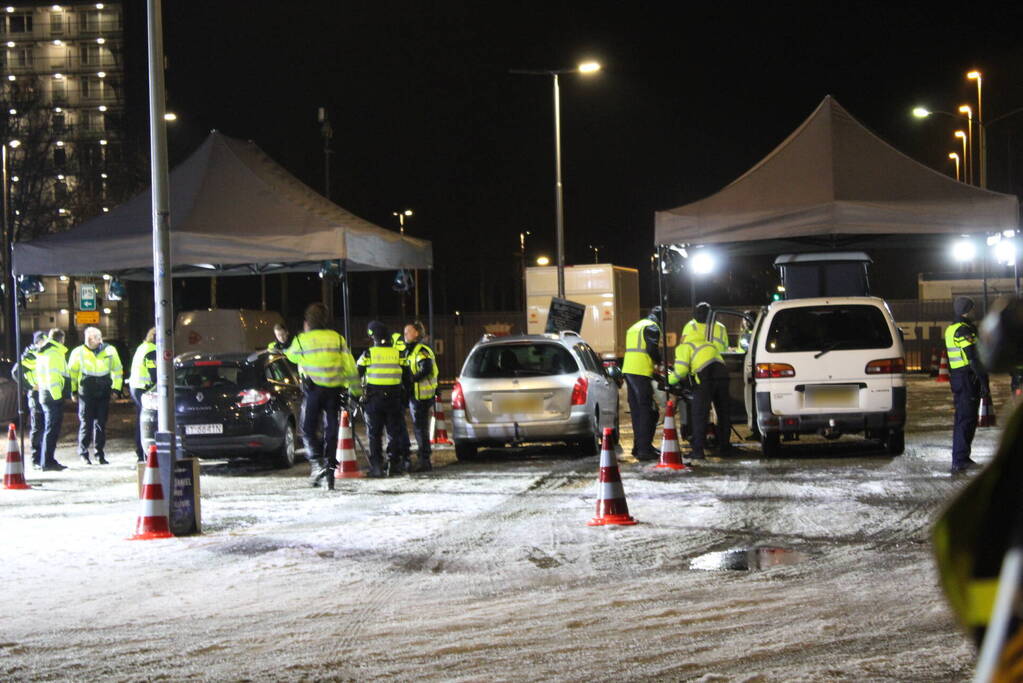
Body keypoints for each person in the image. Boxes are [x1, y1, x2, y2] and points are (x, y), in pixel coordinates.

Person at [282, 303, 360, 489]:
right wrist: (356, 392)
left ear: (307, 322)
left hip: (314, 391)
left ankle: (317, 464)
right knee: (331, 431)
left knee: (308, 428)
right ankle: (331, 468)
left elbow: (291, 356)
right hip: (335, 391)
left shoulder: (302, 340)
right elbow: (350, 368)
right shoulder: (337, 339)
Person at [670, 303, 732, 459]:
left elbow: (681, 370)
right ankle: (724, 447)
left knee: (699, 414)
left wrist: (669, 380)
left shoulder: (686, 345)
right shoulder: (709, 342)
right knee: (724, 412)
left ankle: (698, 450)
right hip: (723, 374)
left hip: (705, 377)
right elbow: (725, 349)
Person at [358, 321, 411, 477]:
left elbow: (356, 374)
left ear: (373, 337)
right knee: (393, 432)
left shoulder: (368, 354)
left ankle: (377, 467)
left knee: (374, 434)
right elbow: (407, 378)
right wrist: (405, 398)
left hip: (374, 399)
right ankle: (393, 464)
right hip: (394, 399)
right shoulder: (398, 354)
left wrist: (355, 394)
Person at [945, 296, 989, 474]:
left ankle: (962, 457)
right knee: (967, 419)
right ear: (967, 310)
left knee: (962, 419)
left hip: (958, 377)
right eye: (972, 308)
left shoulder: (951, 329)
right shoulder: (963, 330)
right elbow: (973, 358)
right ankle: (960, 459)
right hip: (967, 378)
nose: (974, 311)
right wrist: (984, 382)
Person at [67, 327, 123, 465]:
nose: (88, 341)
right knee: (86, 423)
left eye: (92, 338)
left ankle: (99, 453)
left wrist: (116, 389)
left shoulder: (110, 351)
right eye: (87, 338)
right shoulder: (78, 352)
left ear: (99, 338)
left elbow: (117, 370)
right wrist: (73, 392)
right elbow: (72, 375)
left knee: (101, 423)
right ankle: (84, 453)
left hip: (103, 391)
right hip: (86, 392)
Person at [623, 306, 664, 461]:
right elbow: (651, 349)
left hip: (629, 370)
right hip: (640, 371)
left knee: (637, 412)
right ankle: (644, 449)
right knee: (648, 411)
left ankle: (639, 446)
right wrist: (659, 363)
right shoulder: (652, 327)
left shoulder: (635, 326)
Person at [403, 321, 439, 472]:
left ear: (416, 333)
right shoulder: (411, 350)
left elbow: (426, 368)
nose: (405, 335)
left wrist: (411, 379)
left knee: (420, 428)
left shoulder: (421, 350)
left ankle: (424, 459)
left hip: (421, 396)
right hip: (415, 395)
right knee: (419, 428)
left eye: (407, 331)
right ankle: (423, 457)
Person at [35, 329, 69, 471]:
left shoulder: (46, 352)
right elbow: (53, 377)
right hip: (52, 396)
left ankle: (47, 460)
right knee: (51, 430)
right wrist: (58, 396)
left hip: (45, 394)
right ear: (61, 339)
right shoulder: (54, 353)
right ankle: (47, 462)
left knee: (49, 429)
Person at [11, 331, 47, 468]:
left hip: (46, 393)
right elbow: (15, 372)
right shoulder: (29, 355)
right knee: (38, 426)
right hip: (36, 395)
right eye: (43, 341)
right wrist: (30, 386)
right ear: (37, 342)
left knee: (45, 426)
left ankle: (44, 458)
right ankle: (36, 459)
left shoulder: (45, 354)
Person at [128, 328, 157, 463]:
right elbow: (154, 373)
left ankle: (140, 451)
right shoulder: (151, 350)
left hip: (136, 387)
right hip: (143, 389)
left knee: (142, 419)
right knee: (147, 420)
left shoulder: (143, 347)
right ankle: (142, 452)